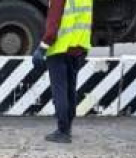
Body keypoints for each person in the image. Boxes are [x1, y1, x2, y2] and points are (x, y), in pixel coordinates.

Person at [32, 0, 93, 144]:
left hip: (59, 49)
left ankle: (63, 131)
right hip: (77, 47)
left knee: (59, 91)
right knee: (71, 90)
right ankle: (68, 127)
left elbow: (53, 25)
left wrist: (42, 48)